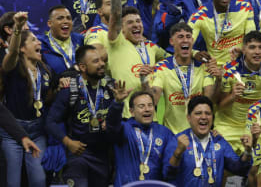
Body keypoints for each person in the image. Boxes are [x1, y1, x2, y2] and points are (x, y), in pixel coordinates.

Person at [46, 45, 116, 187]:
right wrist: (68, 142)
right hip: (78, 154)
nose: (102, 64)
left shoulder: (111, 87)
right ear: (83, 67)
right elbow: (50, 122)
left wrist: (113, 118)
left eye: (102, 60)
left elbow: (116, 122)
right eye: (96, 61)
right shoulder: (71, 90)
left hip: (103, 155)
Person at [0, 12, 53, 186]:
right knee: (13, 182)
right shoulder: (13, 66)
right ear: (22, 48)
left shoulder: (45, 69)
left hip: (38, 131)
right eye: (33, 40)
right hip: (12, 131)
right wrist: (16, 30)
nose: (39, 42)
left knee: (39, 180)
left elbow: (49, 95)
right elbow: (12, 52)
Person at [148, 23, 221, 134]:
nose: (185, 40)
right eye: (180, 37)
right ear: (171, 41)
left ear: (192, 40)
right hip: (172, 134)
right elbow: (154, 99)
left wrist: (219, 80)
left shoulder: (203, 66)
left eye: (188, 37)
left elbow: (209, 100)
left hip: (198, 134)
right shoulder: (162, 68)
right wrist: (144, 80)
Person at [214, 31, 261, 154]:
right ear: (244, 49)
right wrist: (232, 96)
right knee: (221, 161)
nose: (257, 52)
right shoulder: (229, 69)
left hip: (255, 126)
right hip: (228, 126)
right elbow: (219, 106)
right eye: (252, 47)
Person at [108, 0, 166, 117]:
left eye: (138, 21)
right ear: (121, 29)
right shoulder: (117, 43)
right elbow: (115, 15)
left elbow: (173, 59)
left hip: (150, 115)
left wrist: (195, 53)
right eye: (130, 23)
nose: (136, 25)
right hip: (126, 115)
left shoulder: (151, 47)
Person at [167, 95, 252, 185]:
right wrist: (177, 153)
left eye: (208, 113)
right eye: (198, 113)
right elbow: (167, 175)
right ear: (189, 118)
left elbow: (239, 169)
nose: (204, 117)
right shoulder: (177, 141)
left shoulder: (218, 141)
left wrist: (247, 152)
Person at [106, 87, 177, 185]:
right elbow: (112, 123)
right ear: (132, 111)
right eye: (141, 106)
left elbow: (169, 169)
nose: (147, 109)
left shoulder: (165, 133)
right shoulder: (123, 129)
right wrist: (117, 103)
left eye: (150, 105)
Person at [188, 0, 256, 66]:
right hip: (214, 68)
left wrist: (243, 50)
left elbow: (251, 37)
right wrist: (194, 53)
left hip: (241, 66)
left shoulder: (244, 7)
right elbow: (184, 42)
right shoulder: (200, 15)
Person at [39, 5, 85, 75]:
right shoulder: (40, 44)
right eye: (60, 18)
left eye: (68, 18)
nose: (66, 21)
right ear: (50, 23)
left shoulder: (81, 40)